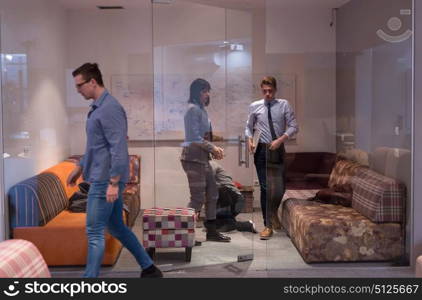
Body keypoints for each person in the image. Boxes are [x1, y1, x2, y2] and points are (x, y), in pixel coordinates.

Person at [67, 63, 162, 278]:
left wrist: (113, 183)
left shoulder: (109, 108)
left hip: (104, 181)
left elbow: (119, 148)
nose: (78, 90)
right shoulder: (97, 108)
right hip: (103, 179)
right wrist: (80, 166)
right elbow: (95, 145)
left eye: (79, 85)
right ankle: (149, 267)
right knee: (117, 228)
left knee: (94, 233)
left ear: (92, 82)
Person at [245, 76, 298, 240]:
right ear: (261, 90)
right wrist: (249, 141)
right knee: (266, 188)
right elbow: (248, 128)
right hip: (261, 149)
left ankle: (273, 212)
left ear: (275, 90)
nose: (267, 94)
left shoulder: (283, 105)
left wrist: (280, 140)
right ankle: (267, 225)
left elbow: (294, 126)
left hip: (278, 147)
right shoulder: (255, 106)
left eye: (270, 91)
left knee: (280, 187)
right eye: (264, 91)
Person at [180, 78, 231, 242]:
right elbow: (193, 137)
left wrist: (215, 147)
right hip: (193, 160)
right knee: (197, 198)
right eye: (204, 91)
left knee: (212, 194)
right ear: (196, 93)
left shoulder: (202, 110)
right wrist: (213, 148)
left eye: (208, 91)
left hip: (203, 159)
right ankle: (184, 234)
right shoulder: (192, 110)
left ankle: (211, 231)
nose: (207, 94)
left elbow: (204, 136)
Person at [209, 160, 257, 233]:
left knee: (212, 224)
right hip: (230, 200)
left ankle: (244, 224)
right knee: (212, 225)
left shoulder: (210, 165)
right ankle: (229, 220)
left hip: (235, 200)